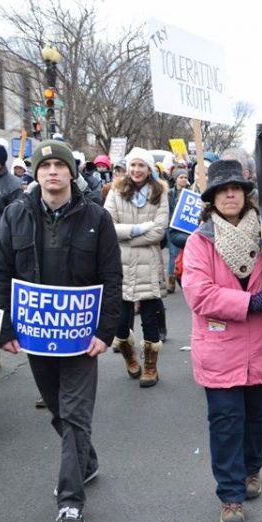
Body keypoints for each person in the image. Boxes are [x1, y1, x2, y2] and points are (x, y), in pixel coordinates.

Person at [0, 139, 122, 522]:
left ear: (71, 172)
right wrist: (3, 329)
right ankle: (88, 461)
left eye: (58, 165)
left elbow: (111, 280)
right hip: (35, 338)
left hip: (81, 340)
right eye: (44, 165)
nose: (51, 171)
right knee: (59, 411)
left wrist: (105, 332)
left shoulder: (97, 218)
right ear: (35, 173)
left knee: (76, 413)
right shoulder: (14, 216)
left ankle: (70, 500)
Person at [182, 159, 262, 522]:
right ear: (212, 199)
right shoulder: (199, 242)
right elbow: (199, 295)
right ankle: (230, 496)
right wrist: (250, 303)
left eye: (236, 189)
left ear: (245, 196)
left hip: (261, 347)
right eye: (222, 190)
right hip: (219, 350)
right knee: (226, 423)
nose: (229, 194)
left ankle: (251, 470)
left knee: (256, 418)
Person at [104, 147, 169, 387]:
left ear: (149, 168)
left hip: (149, 265)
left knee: (150, 321)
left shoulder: (160, 192)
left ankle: (151, 367)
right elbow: (107, 225)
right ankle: (130, 357)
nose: (136, 170)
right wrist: (138, 229)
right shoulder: (115, 191)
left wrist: (126, 236)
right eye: (133, 165)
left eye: (141, 165)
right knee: (120, 325)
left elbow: (160, 230)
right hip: (119, 266)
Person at [166, 167, 190, 293]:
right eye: (181, 177)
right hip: (173, 228)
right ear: (175, 179)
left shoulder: (191, 192)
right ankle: (171, 281)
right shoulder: (170, 193)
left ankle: (185, 280)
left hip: (187, 229)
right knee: (173, 254)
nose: (183, 180)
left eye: (185, 177)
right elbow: (167, 210)